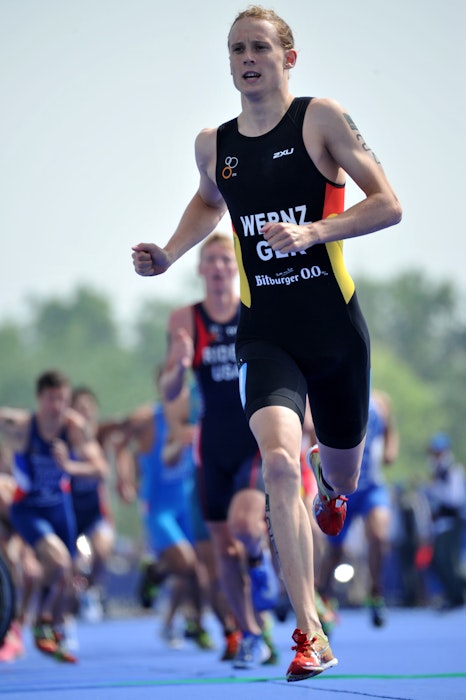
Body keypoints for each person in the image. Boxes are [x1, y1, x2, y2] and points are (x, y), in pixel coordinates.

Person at [131, 5, 402, 682]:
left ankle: (332, 485)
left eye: (258, 47)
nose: (247, 59)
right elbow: (208, 201)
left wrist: (313, 231)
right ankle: (310, 632)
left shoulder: (321, 119)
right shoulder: (213, 144)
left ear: (289, 58)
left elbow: (388, 203)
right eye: (236, 50)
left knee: (342, 476)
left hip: (334, 330)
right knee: (279, 464)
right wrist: (169, 254)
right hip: (267, 333)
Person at [160, 232, 280, 669]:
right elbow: (169, 390)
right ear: (200, 269)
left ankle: (259, 562)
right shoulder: (185, 319)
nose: (218, 267)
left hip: (252, 438)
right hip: (211, 447)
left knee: (245, 526)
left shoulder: (256, 308)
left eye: (225, 260)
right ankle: (250, 634)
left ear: (237, 266)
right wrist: (179, 365)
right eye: (210, 260)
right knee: (223, 551)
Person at [111, 368, 224, 652]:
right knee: (186, 564)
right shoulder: (148, 418)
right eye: (170, 388)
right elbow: (119, 443)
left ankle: (193, 622)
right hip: (158, 507)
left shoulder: (195, 416)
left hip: (186, 503)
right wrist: (125, 478)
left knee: (194, 571)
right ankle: (156, 572)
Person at [0, 369, 108, 663]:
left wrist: (71, 467)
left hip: (60, 507)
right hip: (28, 507)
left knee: (67, 575)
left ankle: (51, 629)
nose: (56, 407)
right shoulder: (23, 426)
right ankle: (35, 620)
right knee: (58, 562)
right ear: (39, 399)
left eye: (62, 399)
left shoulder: (74, 428)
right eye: (50, 399)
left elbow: (100, 469)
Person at [316, 390, 399, 627]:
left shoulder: (380, 402)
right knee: (335, 550)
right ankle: (323, 599)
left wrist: (390, 450)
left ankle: (376, 594)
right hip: (343, 488)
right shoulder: (335, 393)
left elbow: (390, 429)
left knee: (379, 536)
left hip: (371, 487)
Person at [69, 387, 115, 622]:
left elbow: (103, 472)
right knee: (76, 563)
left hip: (95, 513)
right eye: (80, 408)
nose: (85, 413)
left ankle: (91, 590)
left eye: (88, 408)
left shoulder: (100, 436)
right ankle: (73, 600)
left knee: (102, 552)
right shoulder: (63, 440)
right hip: (70, 514)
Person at [425, 433, 465, 610]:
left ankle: (457, 595)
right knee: (439, 561)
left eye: (438, 452)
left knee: (448, 562)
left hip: (451, 523)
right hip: (439, 526)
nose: (436, 456)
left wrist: (435, 489)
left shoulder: (453, 471)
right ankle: (452, 594)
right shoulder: (437, 472)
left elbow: (454, 499)